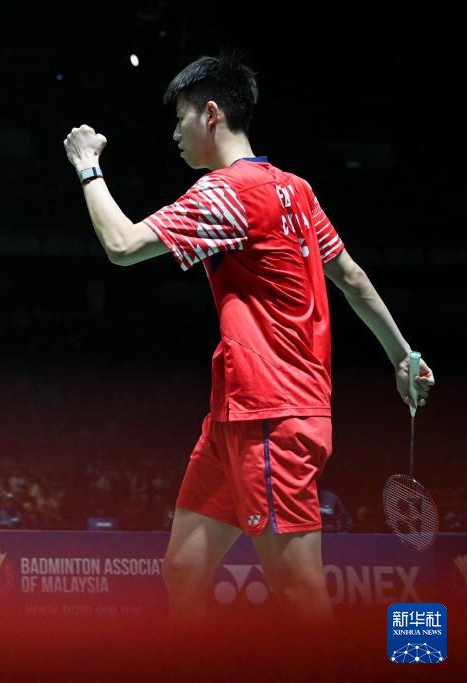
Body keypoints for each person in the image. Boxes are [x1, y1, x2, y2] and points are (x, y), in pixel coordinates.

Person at [63, 52, 434, 625]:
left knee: (298, 592)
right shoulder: (296, 190)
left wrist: (88, 166)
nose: (174, 134)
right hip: (234, 416)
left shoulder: (225, 192)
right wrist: (402, 356)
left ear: (211, 114)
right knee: (184, 569)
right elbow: (352, 278)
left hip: (272, 415)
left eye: (180, 119)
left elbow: (122, 245)